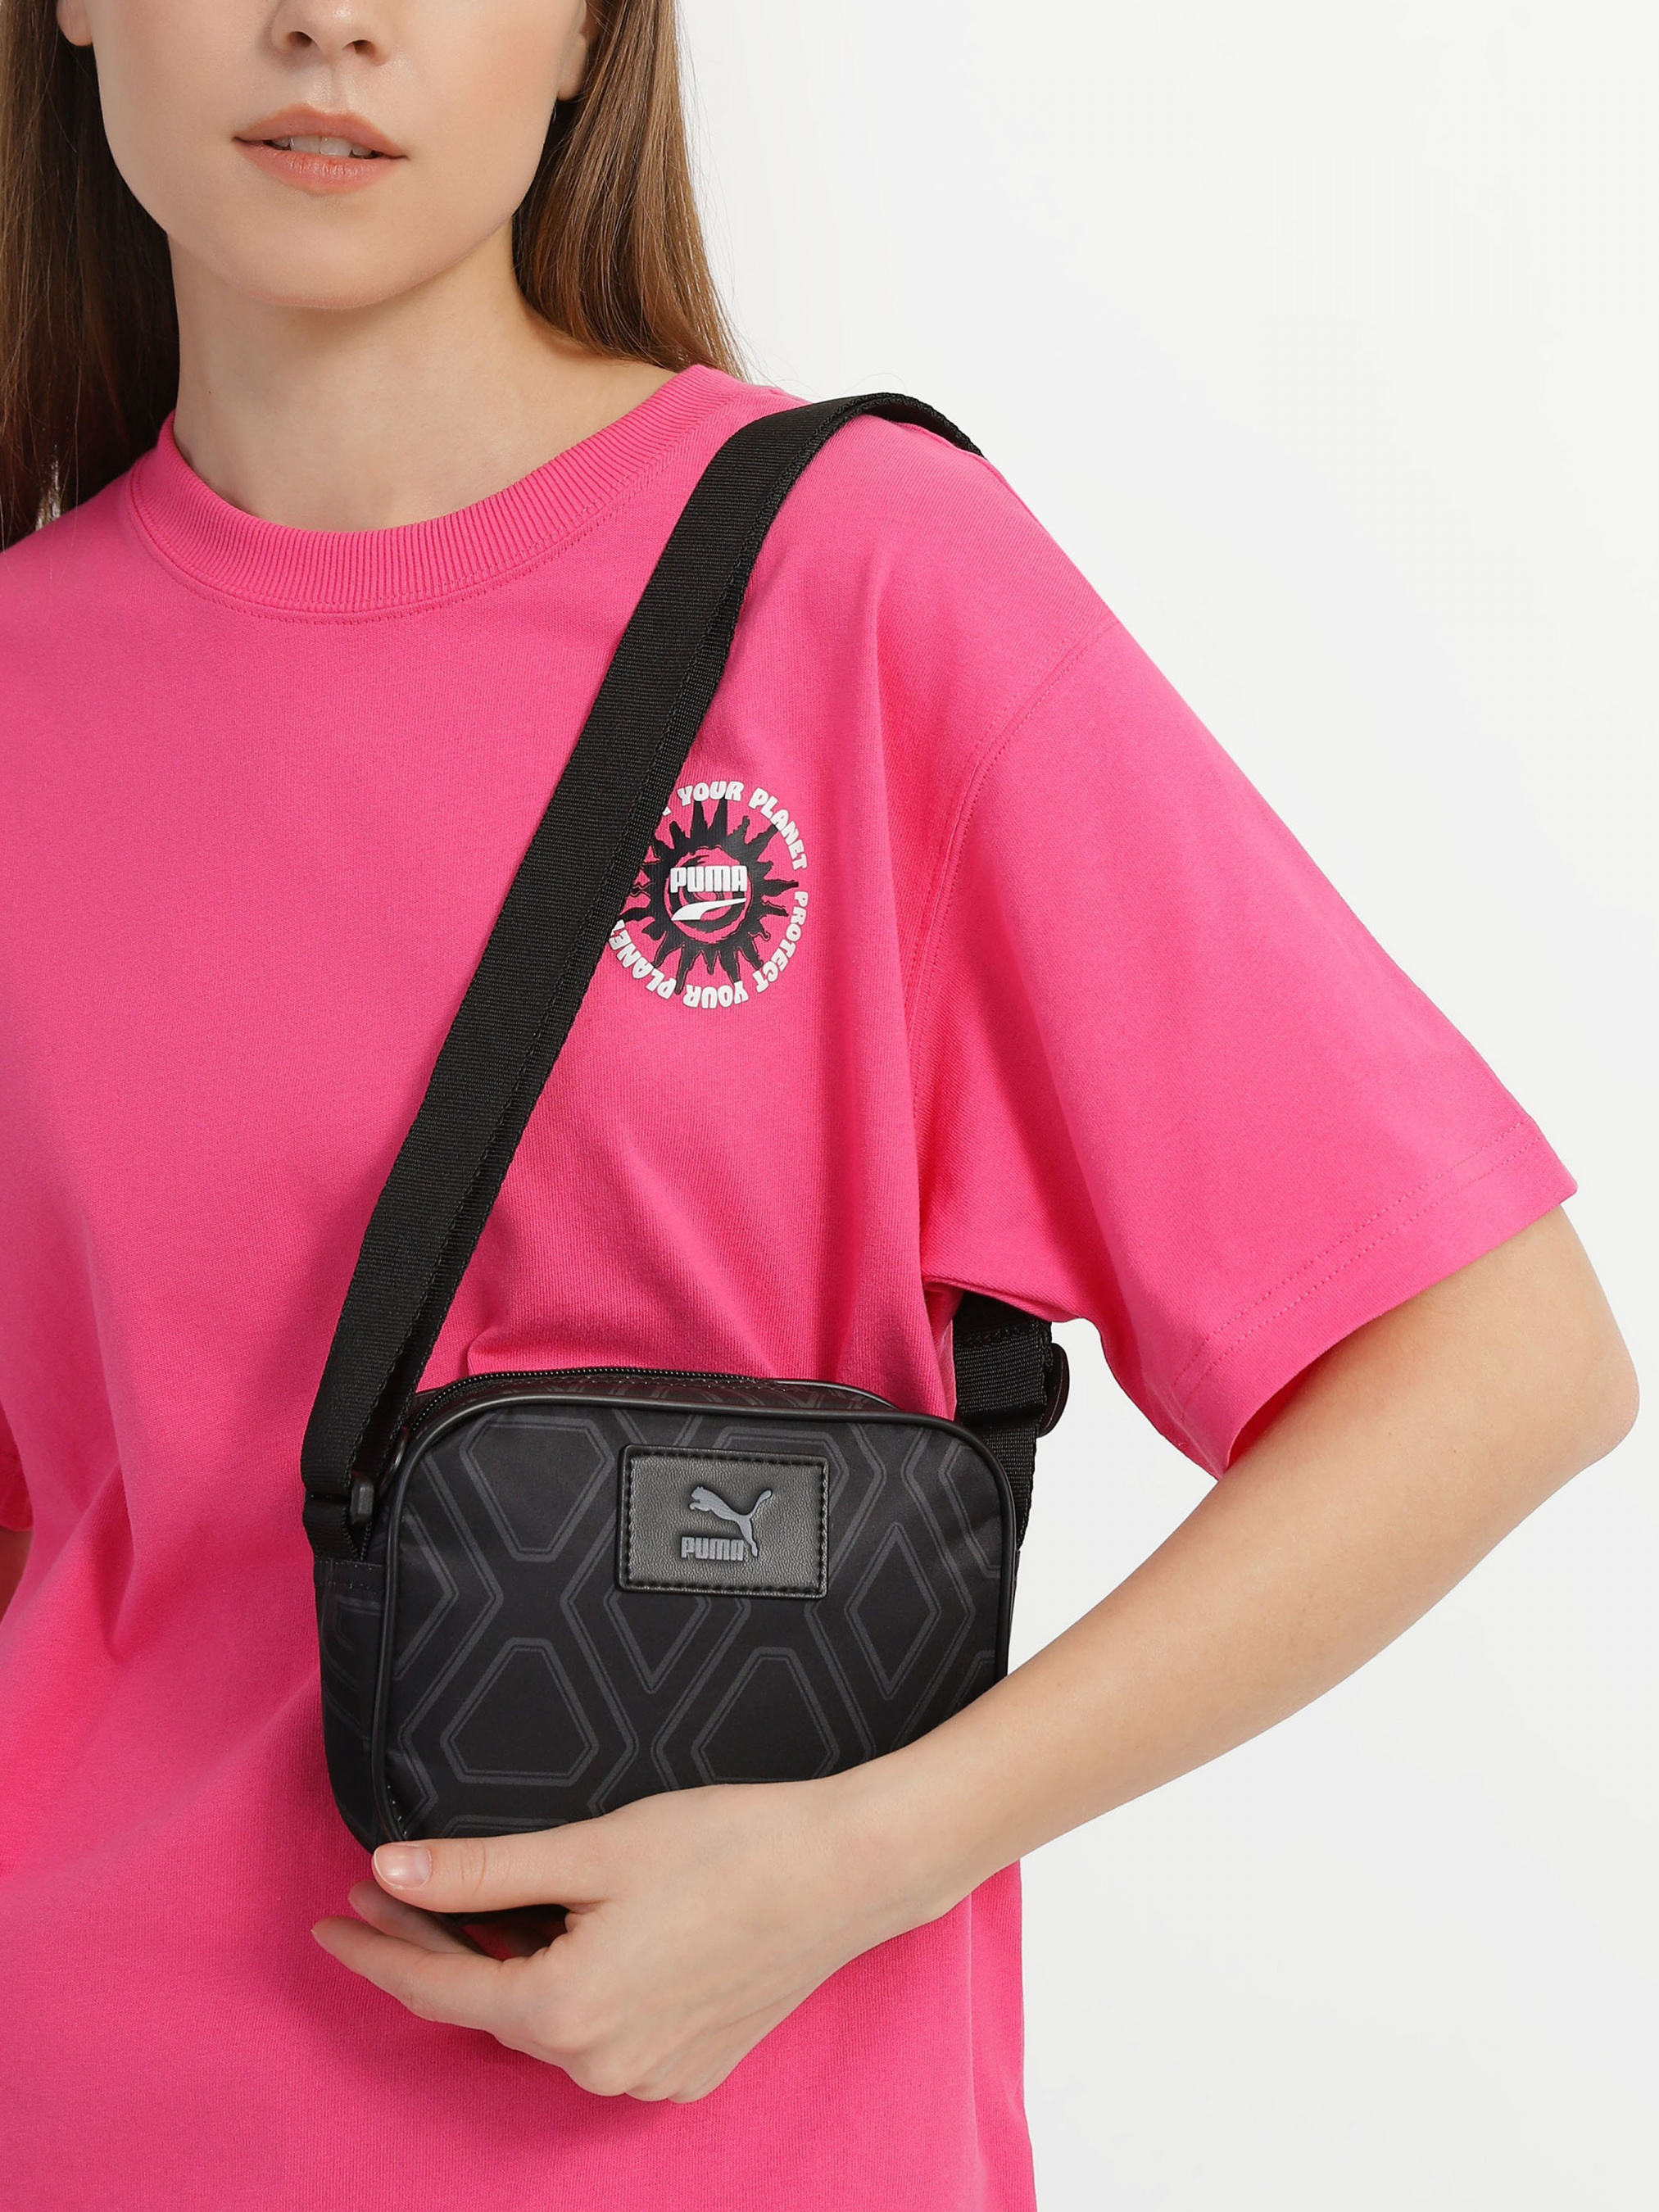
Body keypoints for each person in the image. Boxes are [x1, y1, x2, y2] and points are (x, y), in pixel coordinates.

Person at [0, 2, 1636, 2208]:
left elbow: (1500, 1359)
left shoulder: (857, 585)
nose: (330, 20)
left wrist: (864, 1859)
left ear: (589, 33)